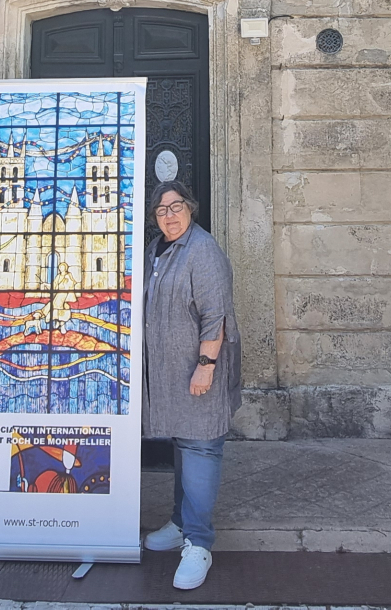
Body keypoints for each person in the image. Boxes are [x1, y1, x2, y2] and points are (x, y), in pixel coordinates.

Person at [139, 179, 241, 590]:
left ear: (191, 208)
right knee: (183, 443)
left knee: (200, 446)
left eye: (176, 206)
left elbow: (215, 315)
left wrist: (205, 365)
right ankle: (181, 524)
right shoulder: (157, 250)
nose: (170, 216)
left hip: (199, 370)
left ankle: (198, 543)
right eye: (162, 210)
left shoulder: (204, 251)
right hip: (169, 372)